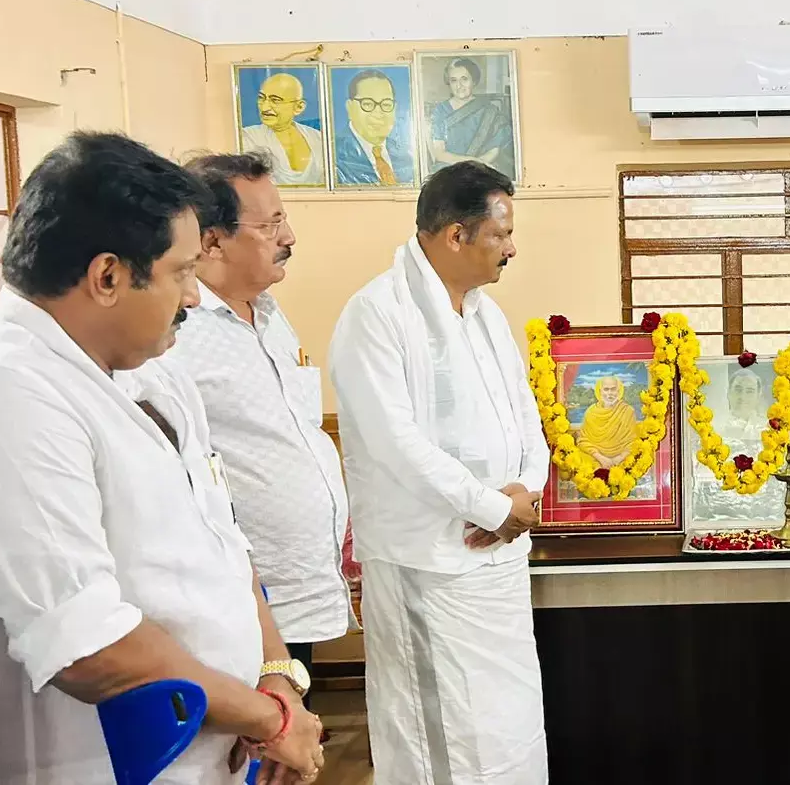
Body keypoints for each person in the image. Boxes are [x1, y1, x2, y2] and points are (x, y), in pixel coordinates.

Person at [0, 132, 324, 784]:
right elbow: (88, 645)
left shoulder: (152, 371)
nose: (193, 297)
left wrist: (277, 677)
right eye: (181, 273)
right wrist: (267, 720)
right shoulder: (9, 393)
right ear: (108, 277)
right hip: (110, 764)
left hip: (225, 745)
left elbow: (224, 542)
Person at [328, 159, 548, 783]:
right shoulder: (377, 313)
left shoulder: (485, 313)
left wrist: (524, 491)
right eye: (501, 234)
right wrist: (491, 507)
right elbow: (394, 443)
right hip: (429, 565)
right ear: (456, 235)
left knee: (509, 728)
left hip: (499, 562)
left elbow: (526, 417)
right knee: (442, 738)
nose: (511, 248)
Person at [161, 152, 351, 700]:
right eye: (270, 225)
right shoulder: (176, 332)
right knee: (254, 735)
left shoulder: (267, 313)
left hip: (300, 589)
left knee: (293, 729)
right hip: (237, 605)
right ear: (212, 241)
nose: (288, 237)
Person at [426, 56, 517, 180]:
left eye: (464, 79)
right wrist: (473, 162)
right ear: (449, 83)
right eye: (454, 80)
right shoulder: (441, 110)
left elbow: (494, 150)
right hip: (449, 170)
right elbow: (439, 153)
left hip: (482, 169)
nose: (459, 85)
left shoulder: (490, 110)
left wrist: (478, 166)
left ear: (474, 81)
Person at [239, 72, 326, 186]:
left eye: (275, 100)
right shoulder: (248, 137)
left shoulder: (317, 138)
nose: (264, 107)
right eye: (261, 98)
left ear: (299, 107)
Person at [335, 69, 415, 186]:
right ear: (350, 107)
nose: (378, 113)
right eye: (367, 104)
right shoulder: (333, 155)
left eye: (386, 104)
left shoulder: (408, 155)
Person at [575, 375, 640, 467]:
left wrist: (619, 458)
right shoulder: (591, 412)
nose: (610, 393)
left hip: (622, 459)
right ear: (600, 391)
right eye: (606, 389)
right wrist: (601, 458)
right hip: (595, 457)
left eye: (613, 389)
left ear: (618, 391)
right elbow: (583, 441)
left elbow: (633, 441)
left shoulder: (627, 411)